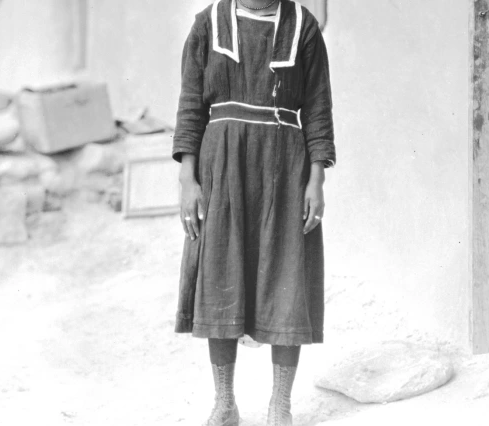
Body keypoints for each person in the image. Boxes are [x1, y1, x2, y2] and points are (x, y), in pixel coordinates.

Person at [172, 0, 335, 424]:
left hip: (285, 166)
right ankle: (225, 402)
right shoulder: (208, 25)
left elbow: (318, 109)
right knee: (221, 276)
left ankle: (280, 405)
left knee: (286, 276)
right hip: (222, 166)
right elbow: (191, 105)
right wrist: (188, 181)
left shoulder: (304, 27)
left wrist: (316, 180)